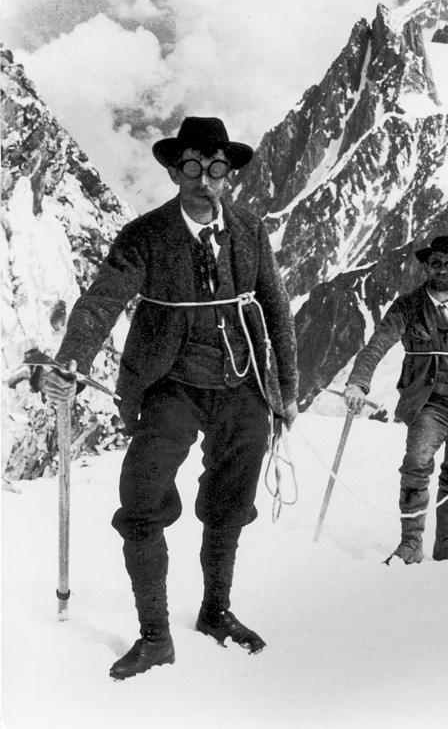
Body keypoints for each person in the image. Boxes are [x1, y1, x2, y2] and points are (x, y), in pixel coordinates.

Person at [38, 116, 298, 679]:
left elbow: (275, 309)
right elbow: (102, 300)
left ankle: (216, 612)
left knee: (231, 501)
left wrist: (285, 392)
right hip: (167, 384)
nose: (206, 180)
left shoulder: (250, 232)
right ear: (175, 172)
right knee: (141, 500)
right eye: (193, 168)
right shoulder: (145, 235)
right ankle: (155, 636)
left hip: (241, 383)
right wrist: (70, 362)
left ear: (229, 174)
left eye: (217, 169)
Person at [343, 235, 448, 565]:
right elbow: (378, 344)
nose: (442, 271)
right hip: (429, 403)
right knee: (416, 466)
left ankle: (446, 542)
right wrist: (358, 383)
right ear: (425, 267)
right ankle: (411, 543)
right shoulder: (407, 307)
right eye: (436, 263)